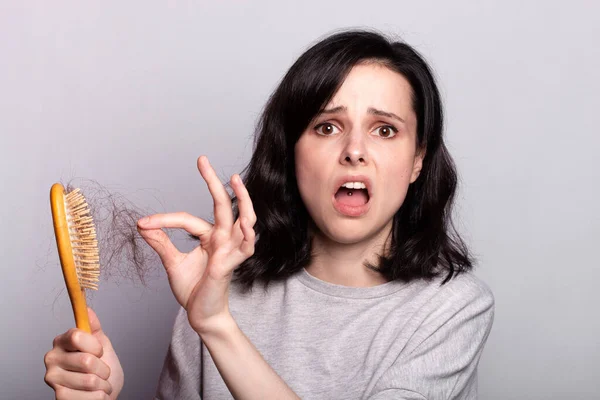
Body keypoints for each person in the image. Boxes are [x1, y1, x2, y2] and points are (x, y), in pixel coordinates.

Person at [43, 29, 495, 399]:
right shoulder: (217, 287)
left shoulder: (451, 308)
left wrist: (217, 326)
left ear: (418, 159)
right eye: (327, 126)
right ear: (292, 153)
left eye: (384, 130)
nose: (355, 151)